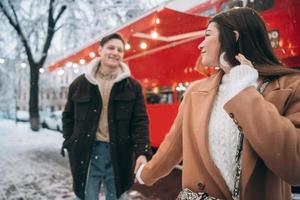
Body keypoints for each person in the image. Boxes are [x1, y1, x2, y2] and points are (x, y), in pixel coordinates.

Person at [135, 7, 300, 200]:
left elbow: (294, 167)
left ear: (233, 37)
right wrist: (145, 174)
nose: (200, 45)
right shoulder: (195, 92)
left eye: (207, 35)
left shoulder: (291, 86)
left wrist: (244, 89)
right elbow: (173, 147)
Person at [61, 33, 152, 200]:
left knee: (117, 196)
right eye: (111, 47)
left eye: (120, 50)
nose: (115, 52)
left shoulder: (133, 87)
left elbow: (140, 121)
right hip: (87, 151)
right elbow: (68, 116)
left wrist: (142, 152)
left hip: (120, 152)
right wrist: (70, 141)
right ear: (100, 50)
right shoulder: (80, 84)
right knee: (86, 197)